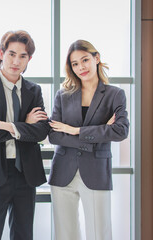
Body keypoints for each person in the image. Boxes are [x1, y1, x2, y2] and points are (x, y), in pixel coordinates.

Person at [0, 30, 50, 239]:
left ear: (29, 59)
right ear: (1, 53)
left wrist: (2, 124)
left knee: (24, 234)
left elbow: (42, 131)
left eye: (23, 56)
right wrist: (23, 126)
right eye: (11, 54)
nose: (16, 61)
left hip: (25, 173)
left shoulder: (34, 90)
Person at [48, 39, 129, 240]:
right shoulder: (63, 95)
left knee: (99, 233)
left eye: (85, 60)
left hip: (96, 171)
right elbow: (54, 135)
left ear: (96, 58)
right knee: (65, 235)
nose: (81, 67)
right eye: (75, 64)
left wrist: (75, 131)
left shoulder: (115, 94)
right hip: (62, 172)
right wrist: (100, 132)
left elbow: (120, 131)